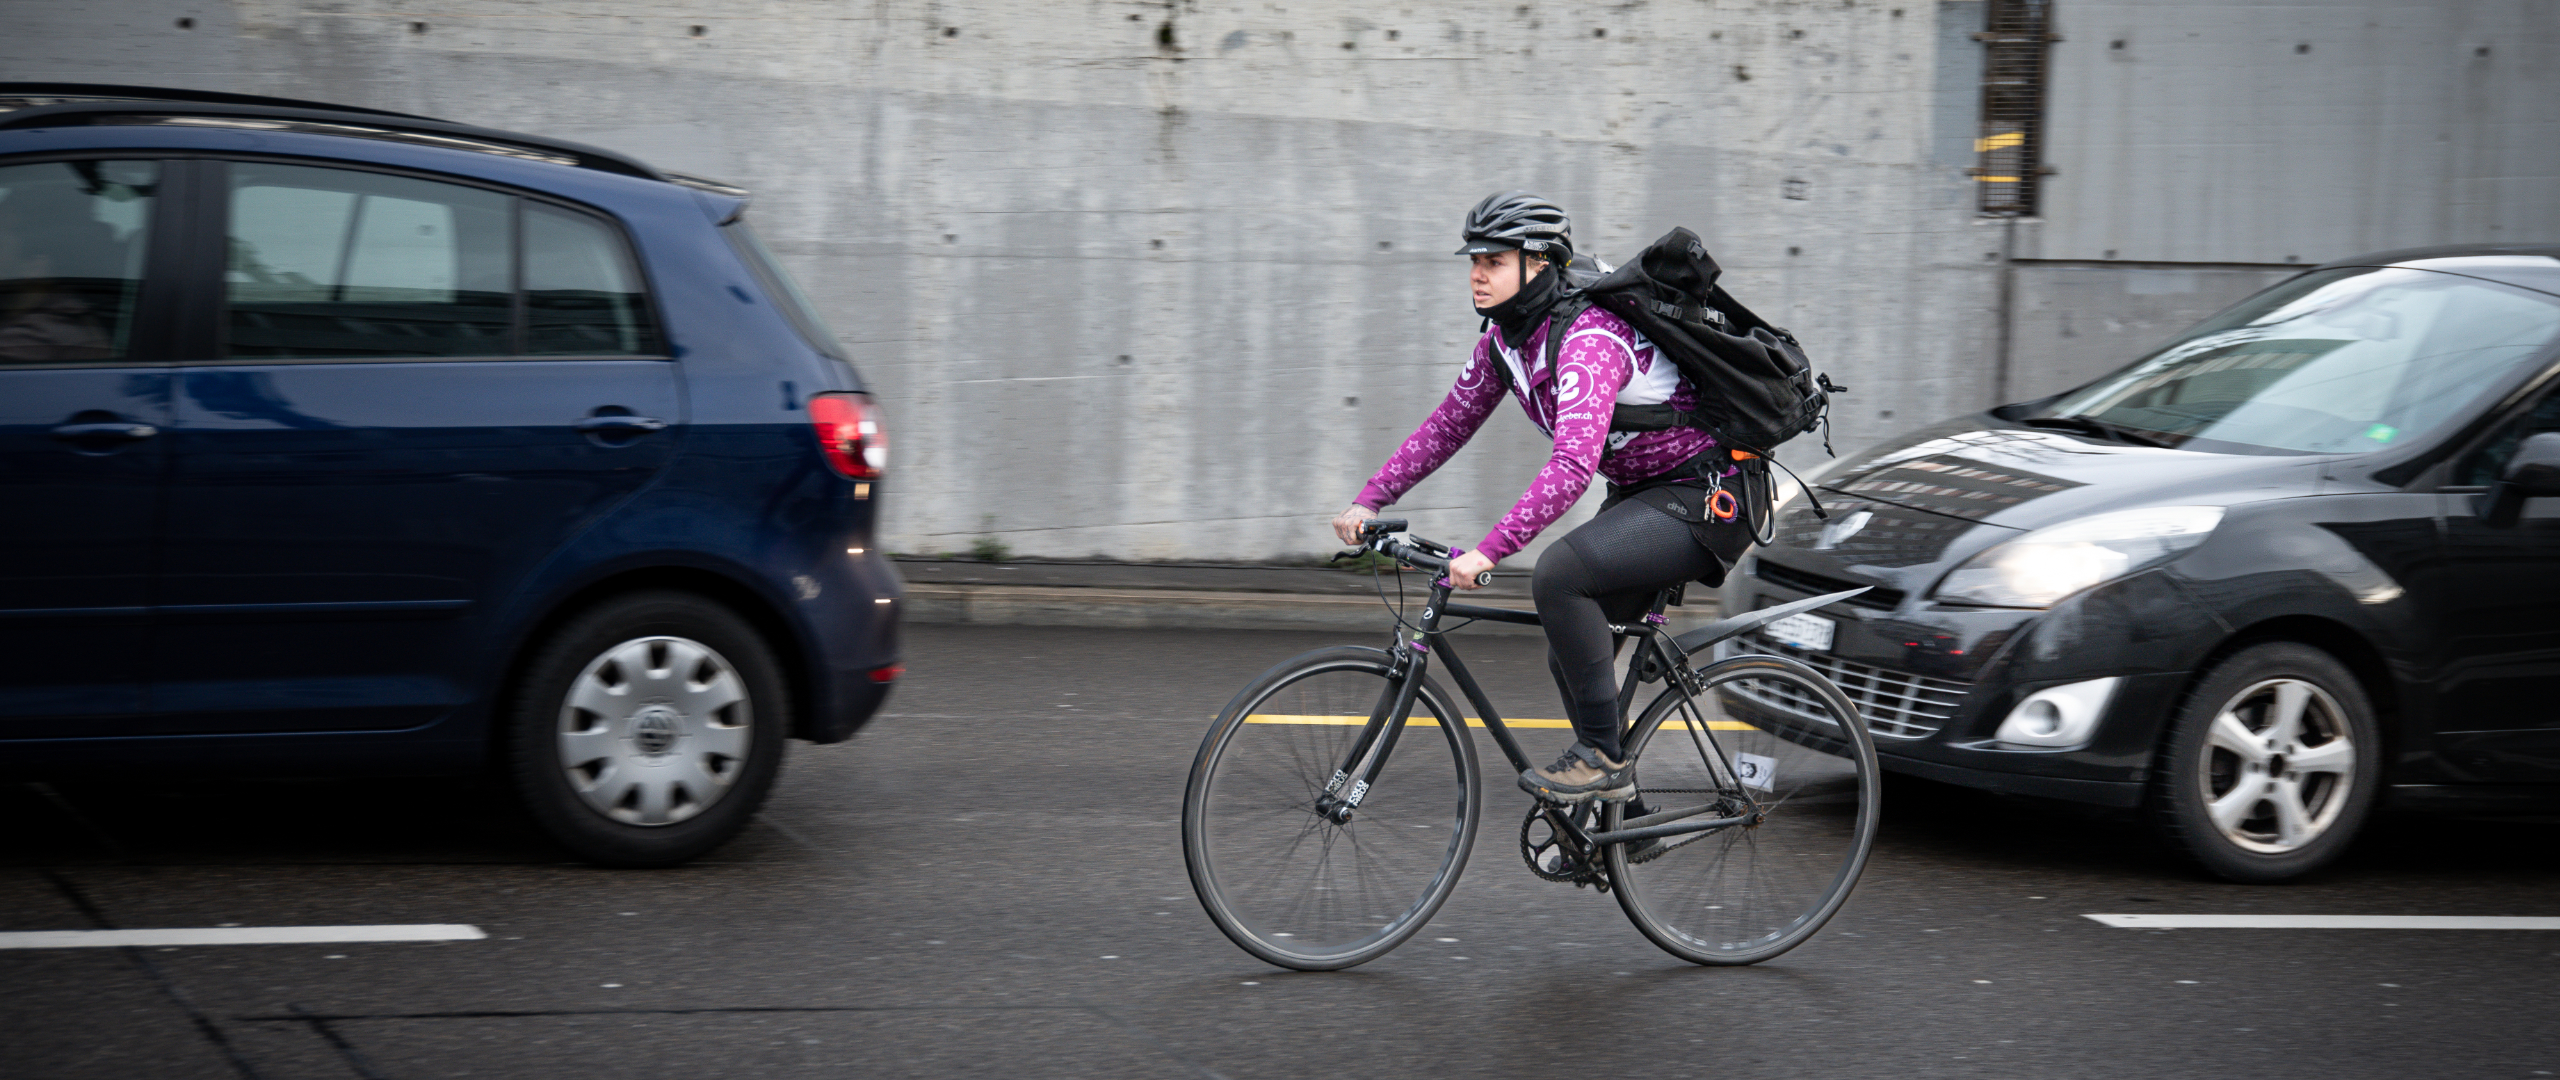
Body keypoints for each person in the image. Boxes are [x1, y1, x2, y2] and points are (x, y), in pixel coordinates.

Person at [1332, 191, 1759, 803]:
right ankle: (1624, 811)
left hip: (1708, 498)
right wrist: (1371, 499)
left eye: (1494, 261)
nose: (1477, 273)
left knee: (1559, 576)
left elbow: (1572, 466)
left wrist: (1489, 551)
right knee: (1573, 656)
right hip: (1647, 494)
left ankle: (1604, 764)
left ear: (1538, 265)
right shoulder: (1506, 342)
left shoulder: (1588, 339)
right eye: (1473, 259)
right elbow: (1448, 425)